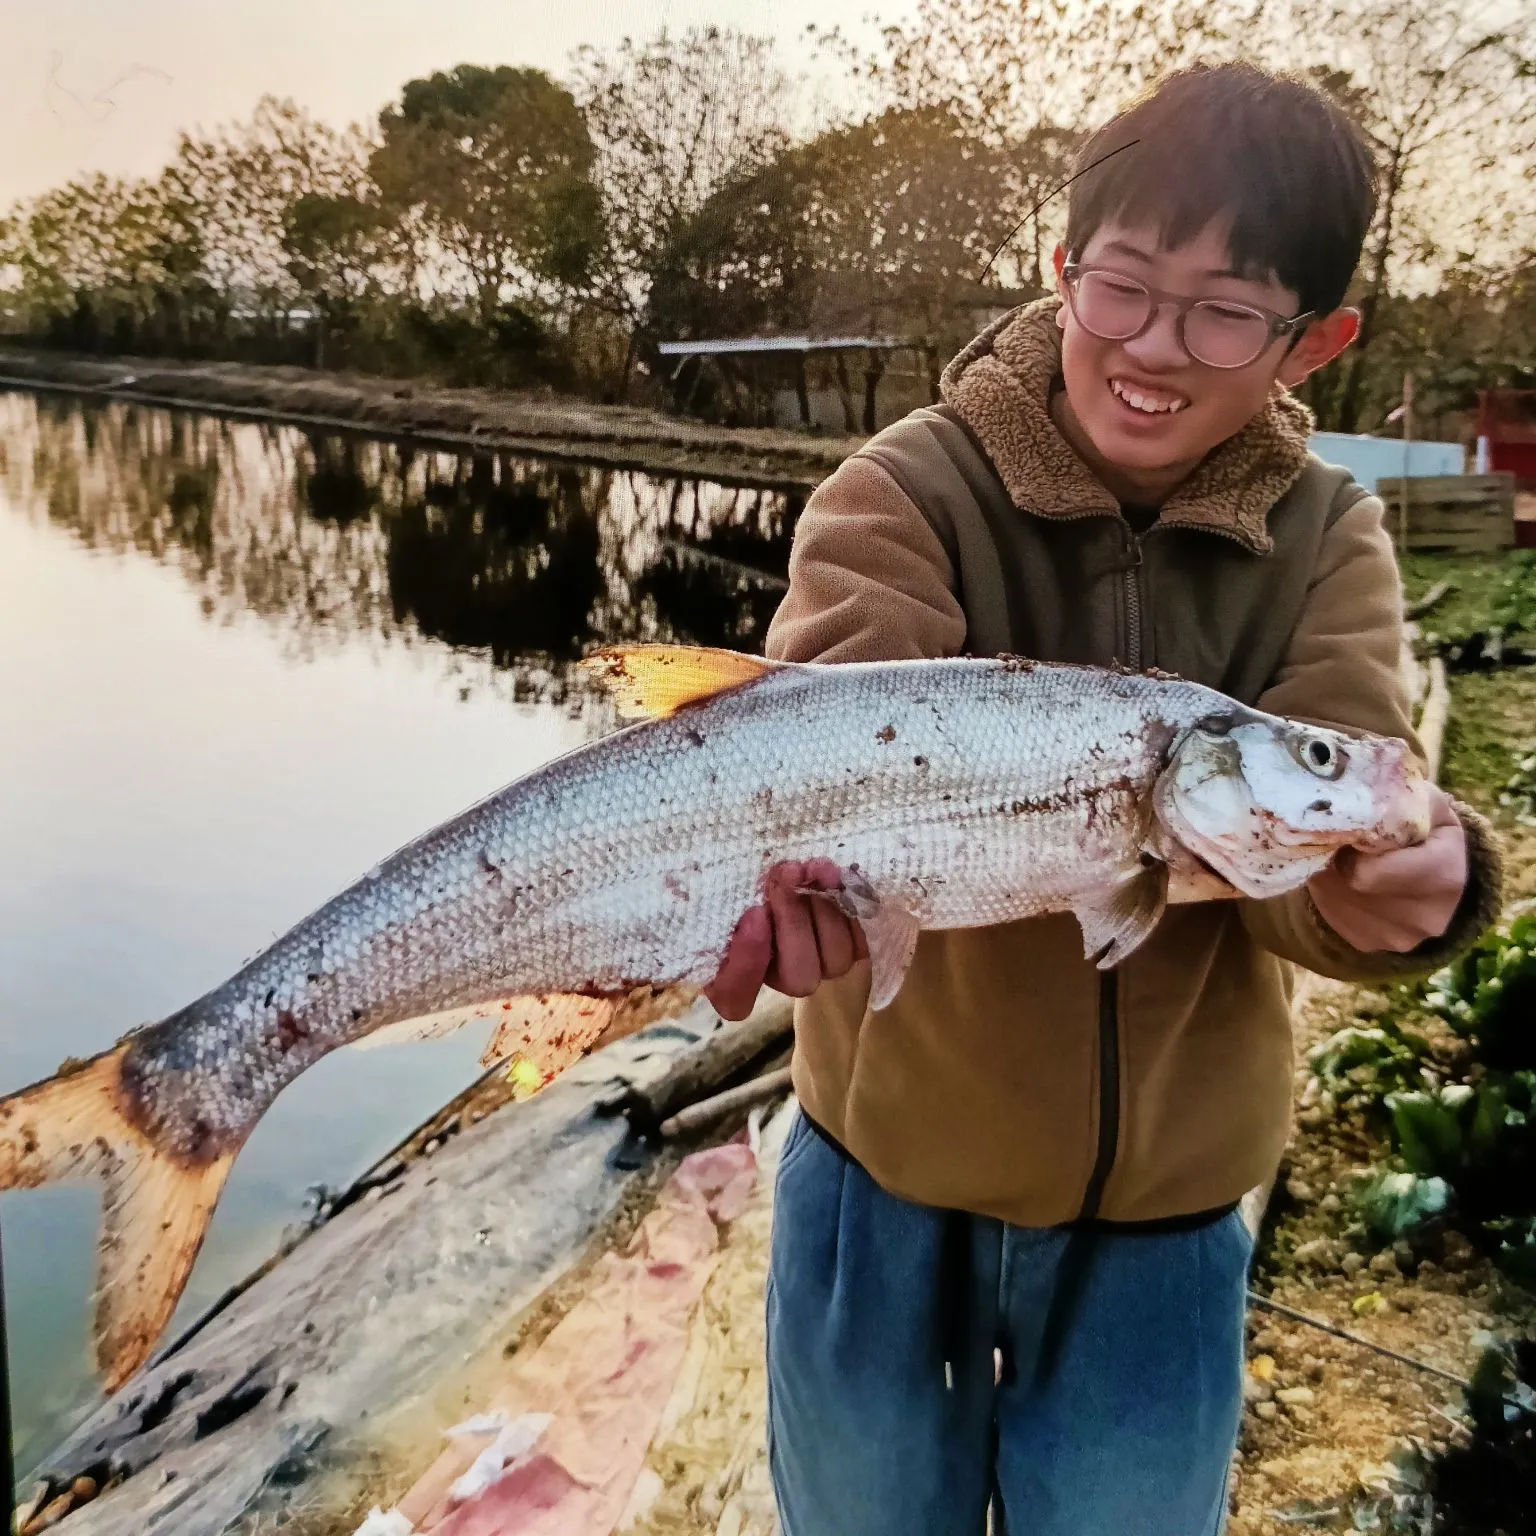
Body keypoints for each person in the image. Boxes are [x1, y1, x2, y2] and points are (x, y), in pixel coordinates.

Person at [703, 62, 1504, 1536]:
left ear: (1314, 339)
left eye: (1227, 314)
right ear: (1060, 267)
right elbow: (808, 781)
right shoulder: (902, 493)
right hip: (884, 1190)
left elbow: (1309, 876)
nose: (1156, 349)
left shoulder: (1331, 541)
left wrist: (1404, 897)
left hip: (1167, 1226)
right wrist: (801, 918)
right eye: (1123, 288)